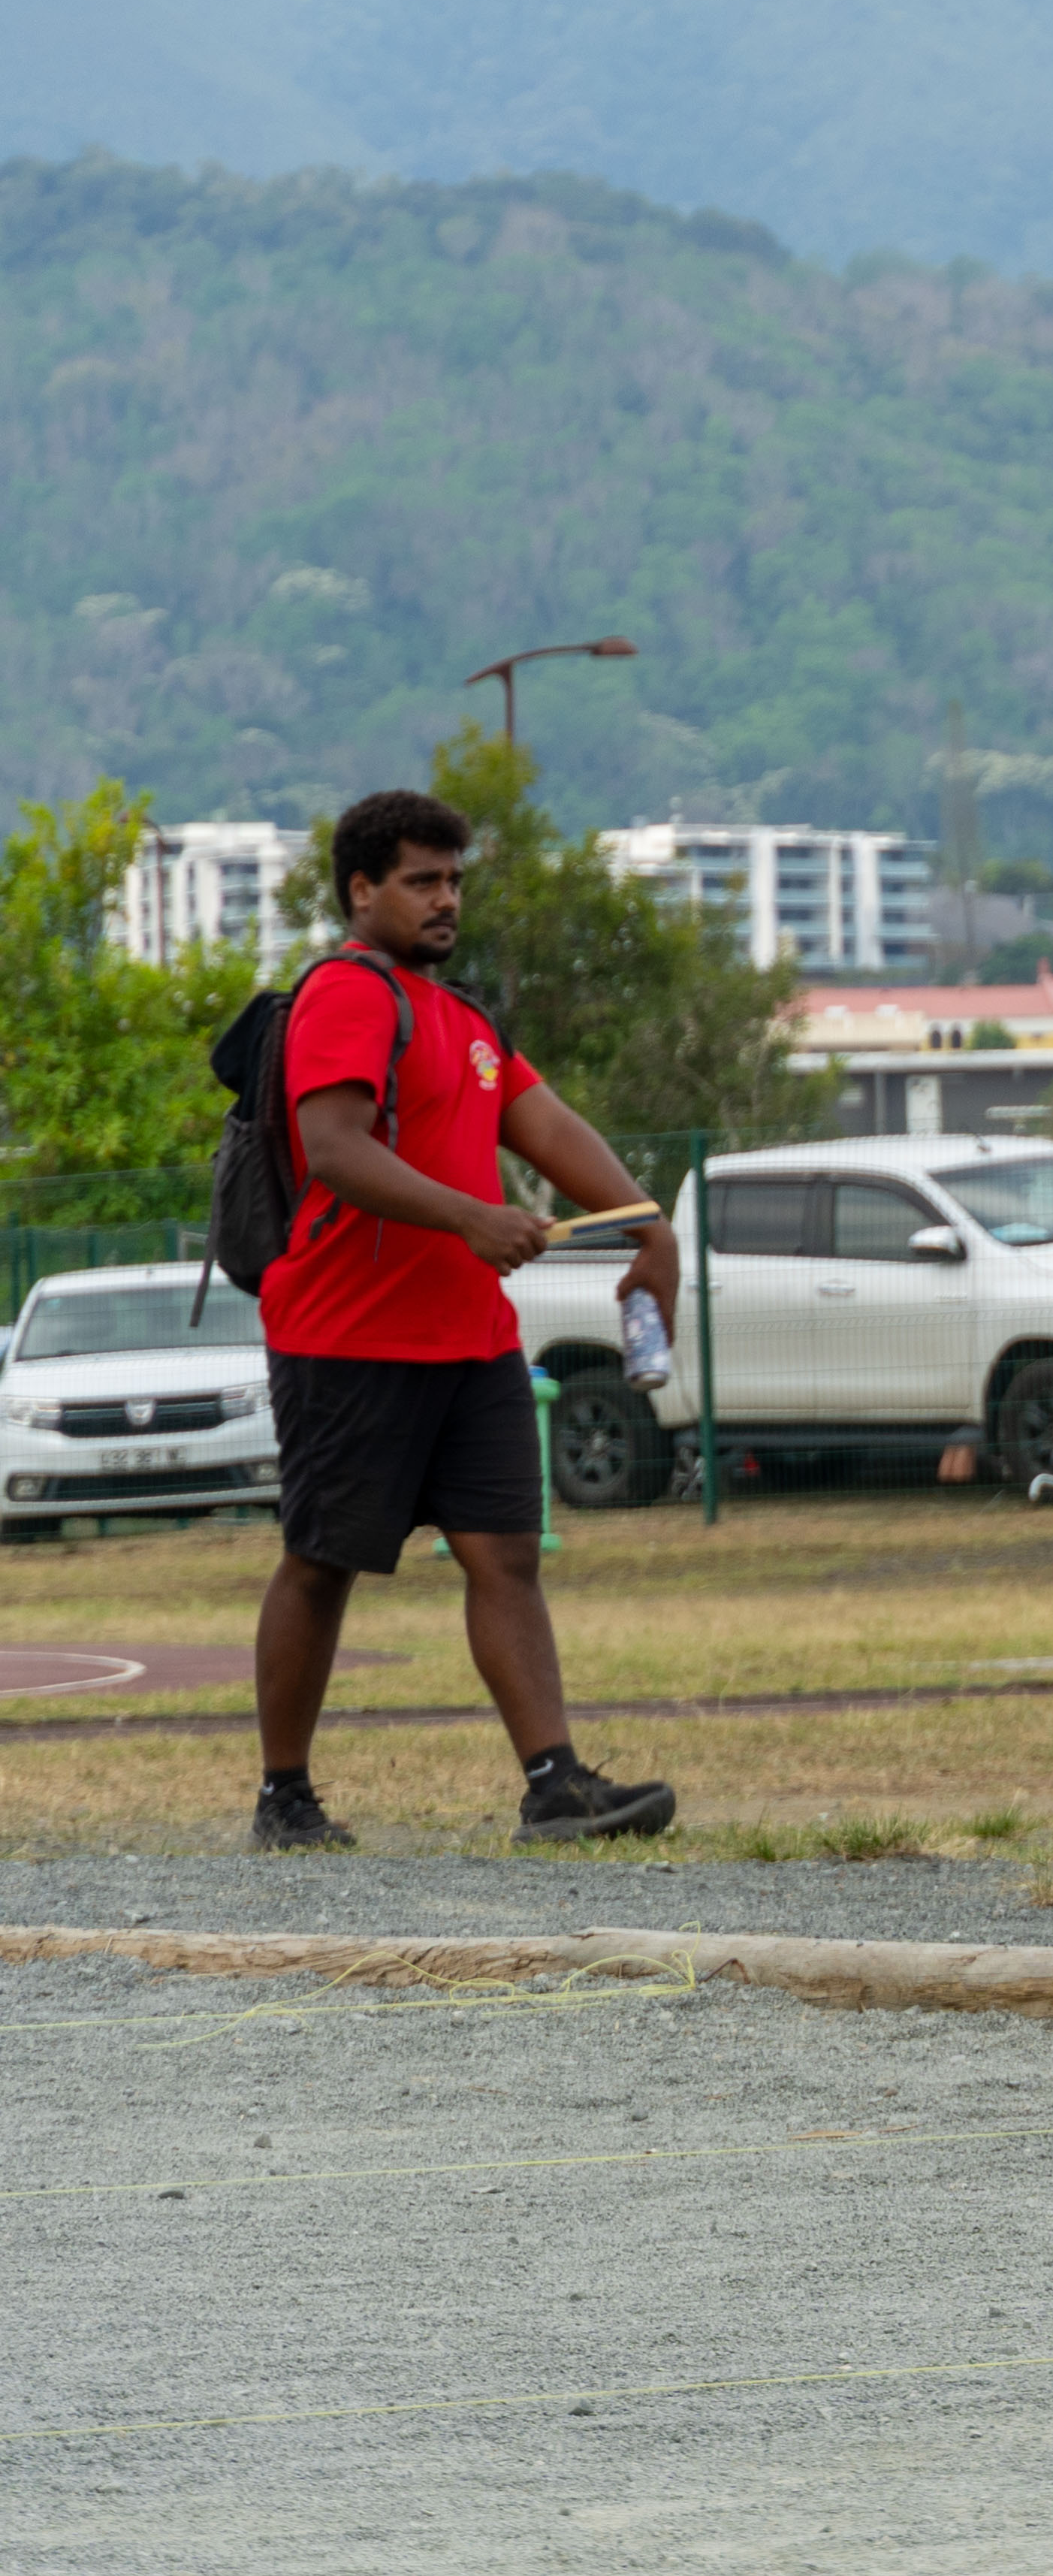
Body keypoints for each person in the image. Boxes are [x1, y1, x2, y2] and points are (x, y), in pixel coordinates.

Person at [248, 792, 683, 1852]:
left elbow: (547, 1126)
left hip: (469, 1339)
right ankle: (286, 1798)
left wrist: (644, 1228)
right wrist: (474, 1219)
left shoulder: (466, 1019)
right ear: (363, 890)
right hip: (348, 1337)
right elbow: (336, 1147)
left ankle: (554, 1784)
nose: (446, 900)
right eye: (421, 881)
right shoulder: (348, 996)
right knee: (322, 1560)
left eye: (454, 881)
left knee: (506, 1558)